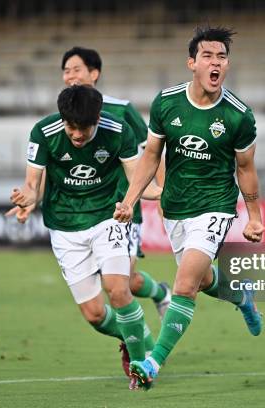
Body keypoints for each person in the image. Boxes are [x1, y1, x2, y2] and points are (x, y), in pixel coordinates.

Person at [113, 26, 265, 390]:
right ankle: (242, 295)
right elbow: (151, 156)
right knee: (202, 278)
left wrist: (255, 217)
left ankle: (152, 363)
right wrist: (131, 200)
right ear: (192, 63)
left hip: (215, 206)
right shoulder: (167, 103)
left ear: (227, 65)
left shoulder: (239, 116)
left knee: (184, 286)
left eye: (222, 57)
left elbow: (245, 169)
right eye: (208, 56)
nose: (216, 63)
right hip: (176, 207)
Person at [8, 85, 162, 390]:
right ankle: (131, 332)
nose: (77, 134)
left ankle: (140, 364)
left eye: (84, 127)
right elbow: (32, 185)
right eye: (71, 127)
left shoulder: (118, 131)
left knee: (118, 290)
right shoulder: (43, 132)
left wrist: (159, 193)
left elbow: (137, 179)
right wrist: (27, 199)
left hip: (108, 218)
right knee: (94, 315)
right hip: (65, 227)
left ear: (98, 118)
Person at [61, 47, 171, 320]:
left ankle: (156, 299)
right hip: (85, 213)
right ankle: (140, 323)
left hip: (123, 206)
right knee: (115, 283)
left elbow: (153, 152)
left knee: (125, 282)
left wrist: (163, 193)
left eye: (76, 69)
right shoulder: (65, 117)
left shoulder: (121, 110)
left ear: (94, 73)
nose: (70, 76)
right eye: (65, 71)